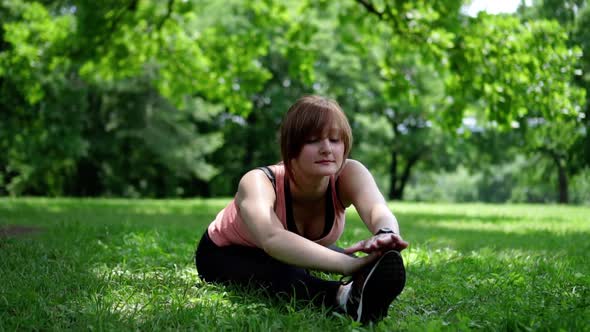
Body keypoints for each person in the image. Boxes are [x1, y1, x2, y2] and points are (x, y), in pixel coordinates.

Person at [195, 95, 409, 324]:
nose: (327, 149)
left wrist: (385, 234)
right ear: (291, 145)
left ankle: (365, 283)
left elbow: (377, 208)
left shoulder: (349, 173)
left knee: (349, 257)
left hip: (290, 252)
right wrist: (350, 266)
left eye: (335, 140)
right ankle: (344, 298)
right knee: (285, 272)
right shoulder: (258, 181)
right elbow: (272, 239)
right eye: (313, 140)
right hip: (225, 253)